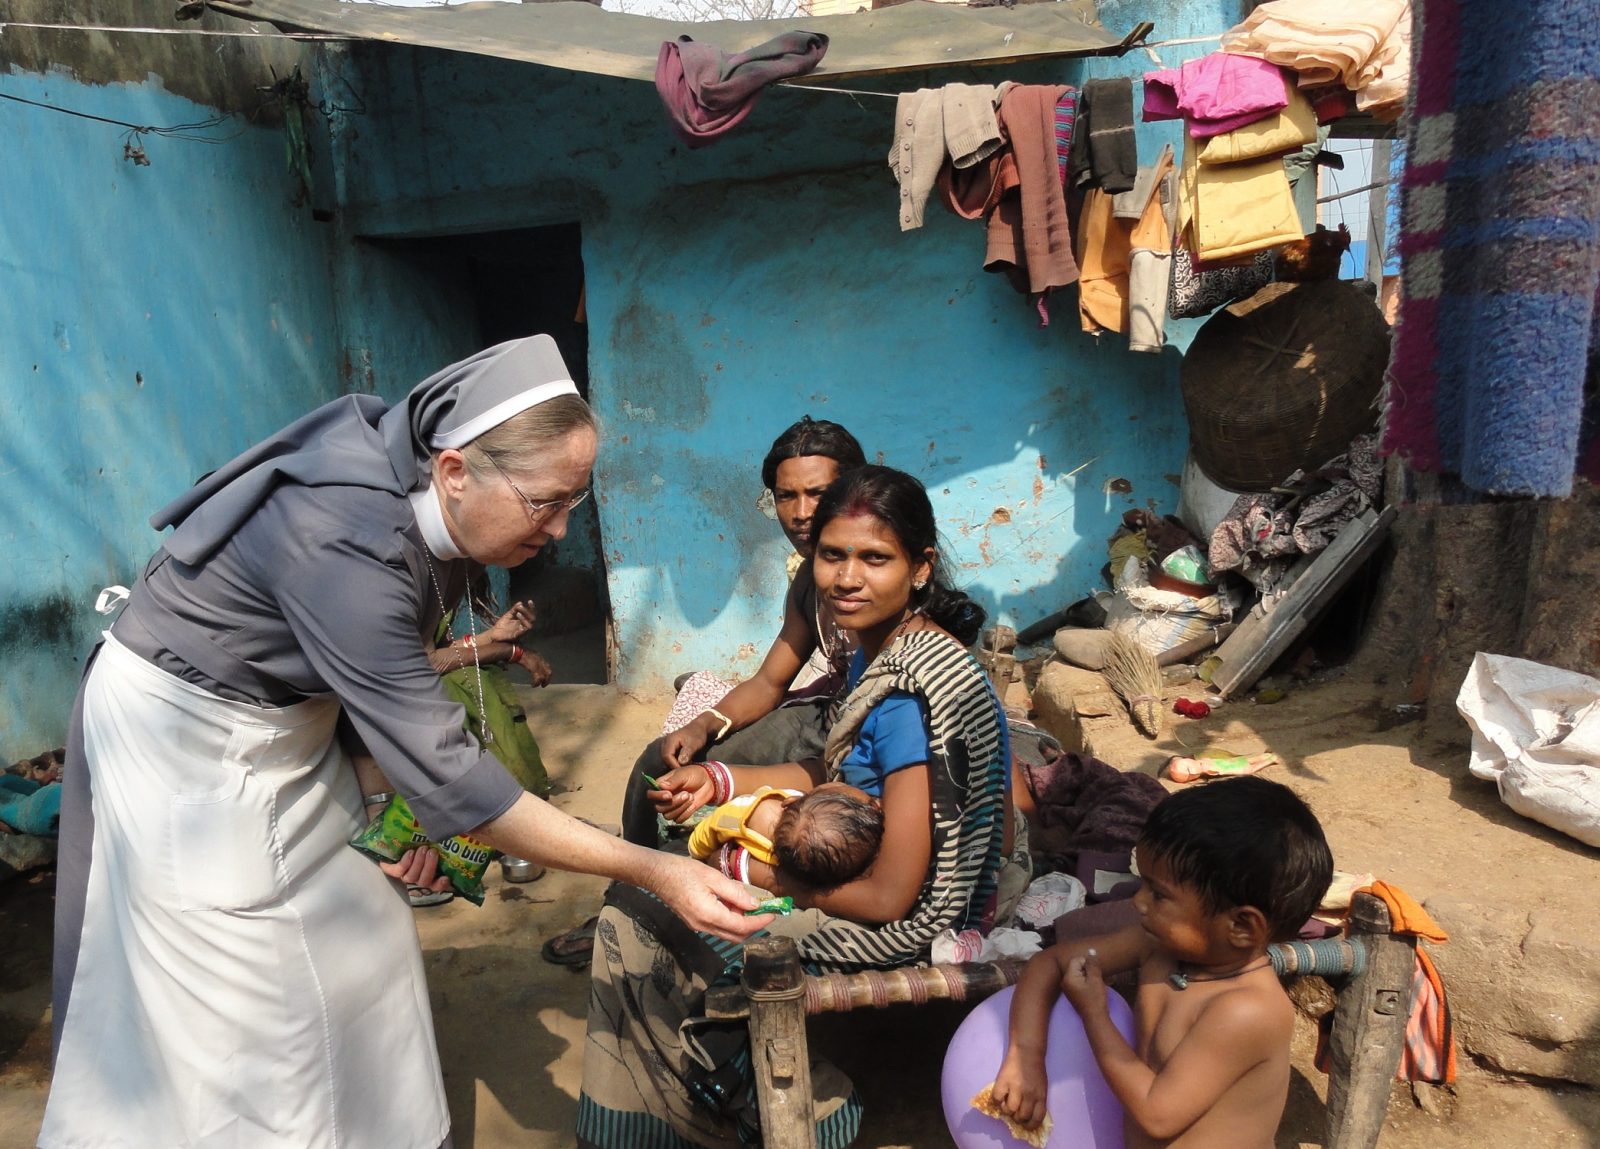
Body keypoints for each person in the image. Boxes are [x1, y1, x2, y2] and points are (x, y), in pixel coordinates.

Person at [40, 336, 769, 1149]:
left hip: (294, 719)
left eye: (576, 501)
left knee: (366, 928)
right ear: (455, 471)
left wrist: (391, 802)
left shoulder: (437, 514)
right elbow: (457, 778)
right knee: (246, 985)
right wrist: (655, 867)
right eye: (545, 502)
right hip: (188, 740)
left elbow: (378, 687)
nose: (562, 529)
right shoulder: (342, 536)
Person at [577, 464, 1021, 1148]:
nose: (847, 577)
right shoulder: (897, 654)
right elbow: (839, 770)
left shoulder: (908, 693)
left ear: (921, 566)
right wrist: (722, 779)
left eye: (875, 558)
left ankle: (795, 1106)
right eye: (832, 555)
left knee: (639, 916)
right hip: (866, 867)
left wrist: (754, 878)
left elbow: (890, 897)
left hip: (906, 917)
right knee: (662, 873)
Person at [542, 416, 866, 964]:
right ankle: (630, 896)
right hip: (826, 710)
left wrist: (723, 777)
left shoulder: (875, 576)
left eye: (818, 493)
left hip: (863, 731)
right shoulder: (810, 577)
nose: (802, 512)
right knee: (659, 761)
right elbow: (769, 680)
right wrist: (701, 725)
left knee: (718, 800)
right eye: (786, 496)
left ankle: (670, 904)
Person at [991, 776, 1334, 1149]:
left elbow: (1157, 1115)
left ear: (1241, 925)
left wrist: (1094, 1012)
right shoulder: (1159, 946)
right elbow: (1052, 962)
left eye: (1158, 894)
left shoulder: (1247, 1010)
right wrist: (1026, 1055)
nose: (1138, 902)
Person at [687, 782, 884, 893]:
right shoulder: (750, 812)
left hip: (725, 859)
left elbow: (707, 832)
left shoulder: (762, 814)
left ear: (792, 800)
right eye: (871, 800)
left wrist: (698, 853)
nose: (876, 802)